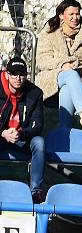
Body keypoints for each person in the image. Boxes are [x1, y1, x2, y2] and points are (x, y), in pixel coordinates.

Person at [35, 0, 82, 135]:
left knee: (68, 86)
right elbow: (42, 60)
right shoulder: (49, 32)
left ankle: (64, 133)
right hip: (53, 77)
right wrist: (62, 65)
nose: (75, 18)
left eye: (77, 14)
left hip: (81, 79)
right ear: (61, 15)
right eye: (71, 14)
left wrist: (79, 69)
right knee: (69, 75)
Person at [0, 57, 45, 203]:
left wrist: (20, 134)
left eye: (22, 74)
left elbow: (37, 125)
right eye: (14, 74)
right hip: (1, 135)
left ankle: (35, 193)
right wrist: (3, 133)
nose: (18, 78)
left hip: (21, 138)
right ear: (7, 74)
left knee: (39, 143)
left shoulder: (35, 93)